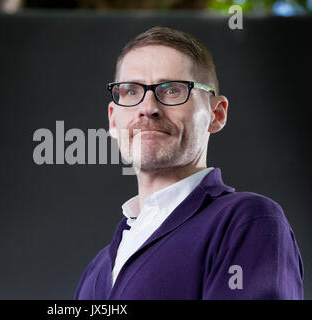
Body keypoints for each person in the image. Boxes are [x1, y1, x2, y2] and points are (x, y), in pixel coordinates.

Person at [74, 26, 303, 299]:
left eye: (172, 90)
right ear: (113, 119)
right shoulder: (97, 269)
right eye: (131, 91)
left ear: (216, 114)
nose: (148, 108)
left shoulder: (246, 222)